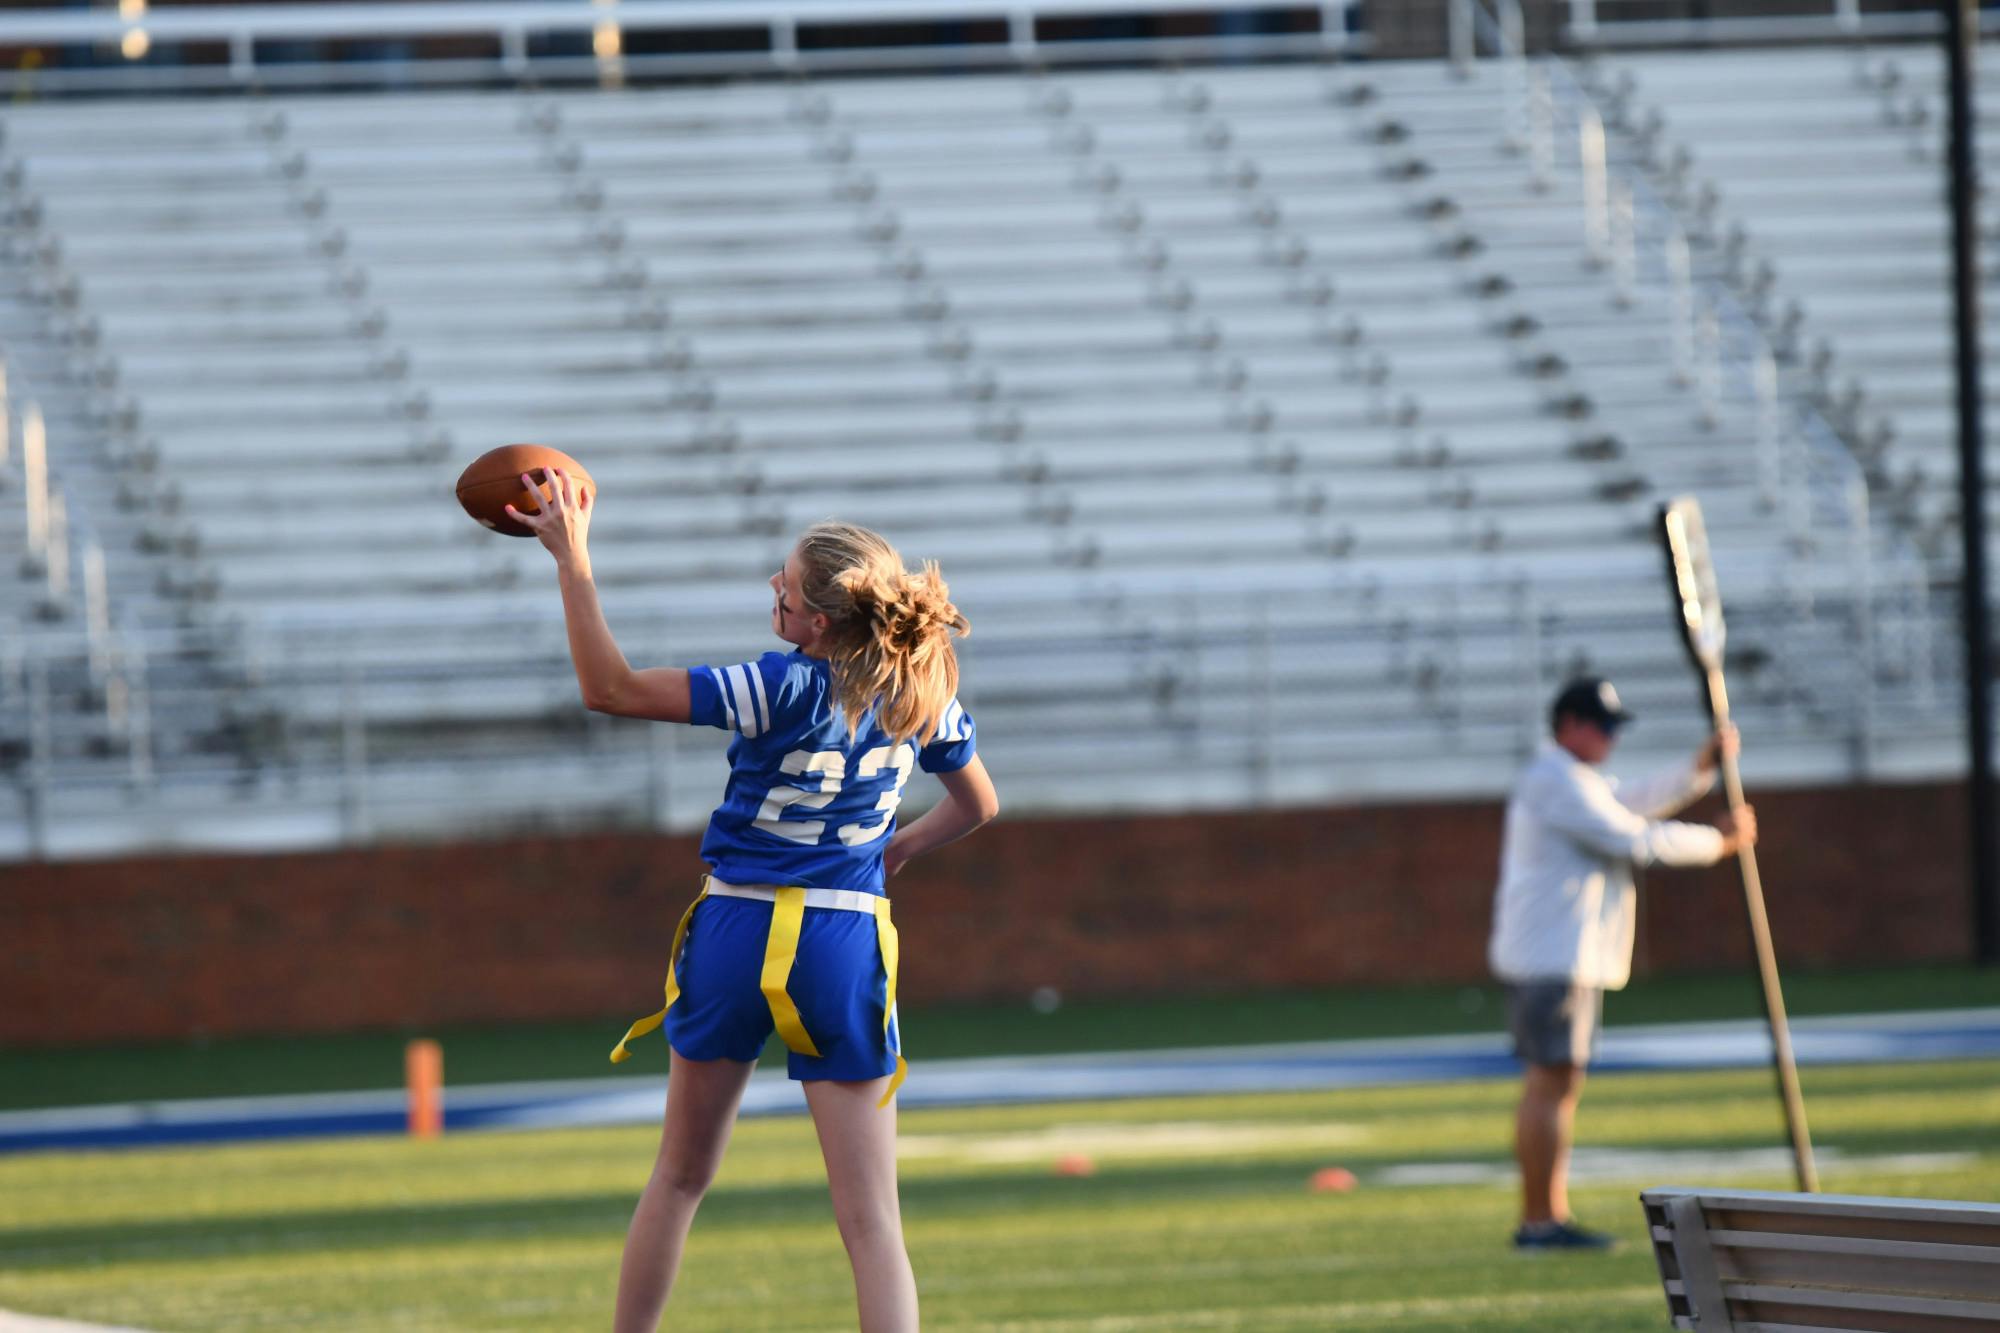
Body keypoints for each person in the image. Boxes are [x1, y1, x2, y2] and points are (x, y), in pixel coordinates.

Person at [509, 470, 1000, 1333]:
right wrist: (901, 847)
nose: (773, 588)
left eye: (787, 585)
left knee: (681, 1176)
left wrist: (572, 561)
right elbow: (978, 804)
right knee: (872, 1221)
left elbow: (610, 688)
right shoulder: (922, 690)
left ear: (819, 620)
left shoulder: (778, 685)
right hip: (845, 935)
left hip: (739, 922)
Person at [1488, 677, 1756, 1252]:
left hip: (1557, 958)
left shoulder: (1573, 781)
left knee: (1557, 1085)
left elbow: (1633, 800)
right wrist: (1716, 843)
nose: (1610, 738)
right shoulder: (1552, 781)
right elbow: (1631, 838)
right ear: (1569, 726)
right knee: (1551, 1085)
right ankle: (1540, 1221)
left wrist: (1699, 769)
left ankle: (1546, 1215)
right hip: (1552, 959)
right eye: (1602, 727)